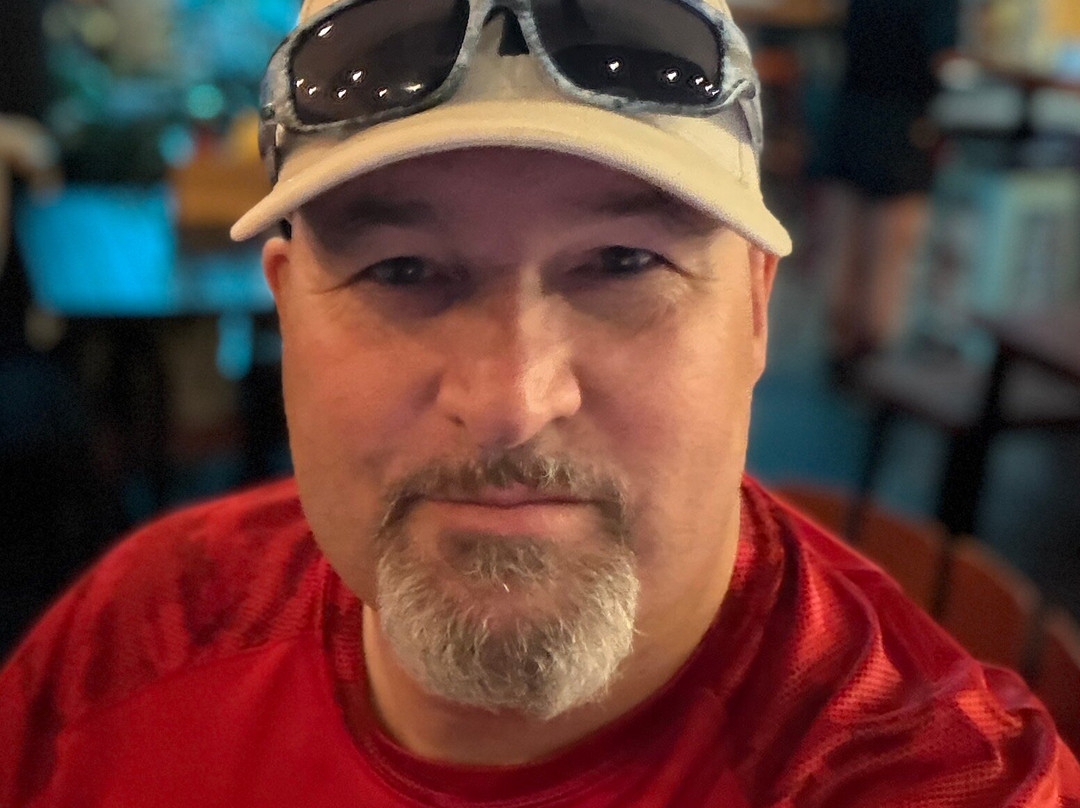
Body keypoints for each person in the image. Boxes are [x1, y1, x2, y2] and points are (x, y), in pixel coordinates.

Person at [1, 1, 1078, 805]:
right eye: (401, 270)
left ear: (754, 312)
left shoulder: (930, 780)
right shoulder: (134, 640)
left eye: (623, 261)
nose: (510, 401)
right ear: (288, 314)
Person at [810, 0, 958, 372]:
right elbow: (941, 59)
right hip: (903, 125)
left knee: (843, 242)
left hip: (851, 114)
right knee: (891, 254)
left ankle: (839, 350)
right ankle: (872, 360)